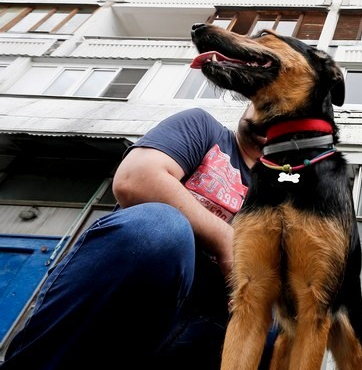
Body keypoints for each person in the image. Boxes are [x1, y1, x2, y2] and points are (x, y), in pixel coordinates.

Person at [1, 106, 276, 370]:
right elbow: (136, 179)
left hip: (207, 323)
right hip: (131, 293)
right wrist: (227, 240)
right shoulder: (203, 128)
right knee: (159, 227)